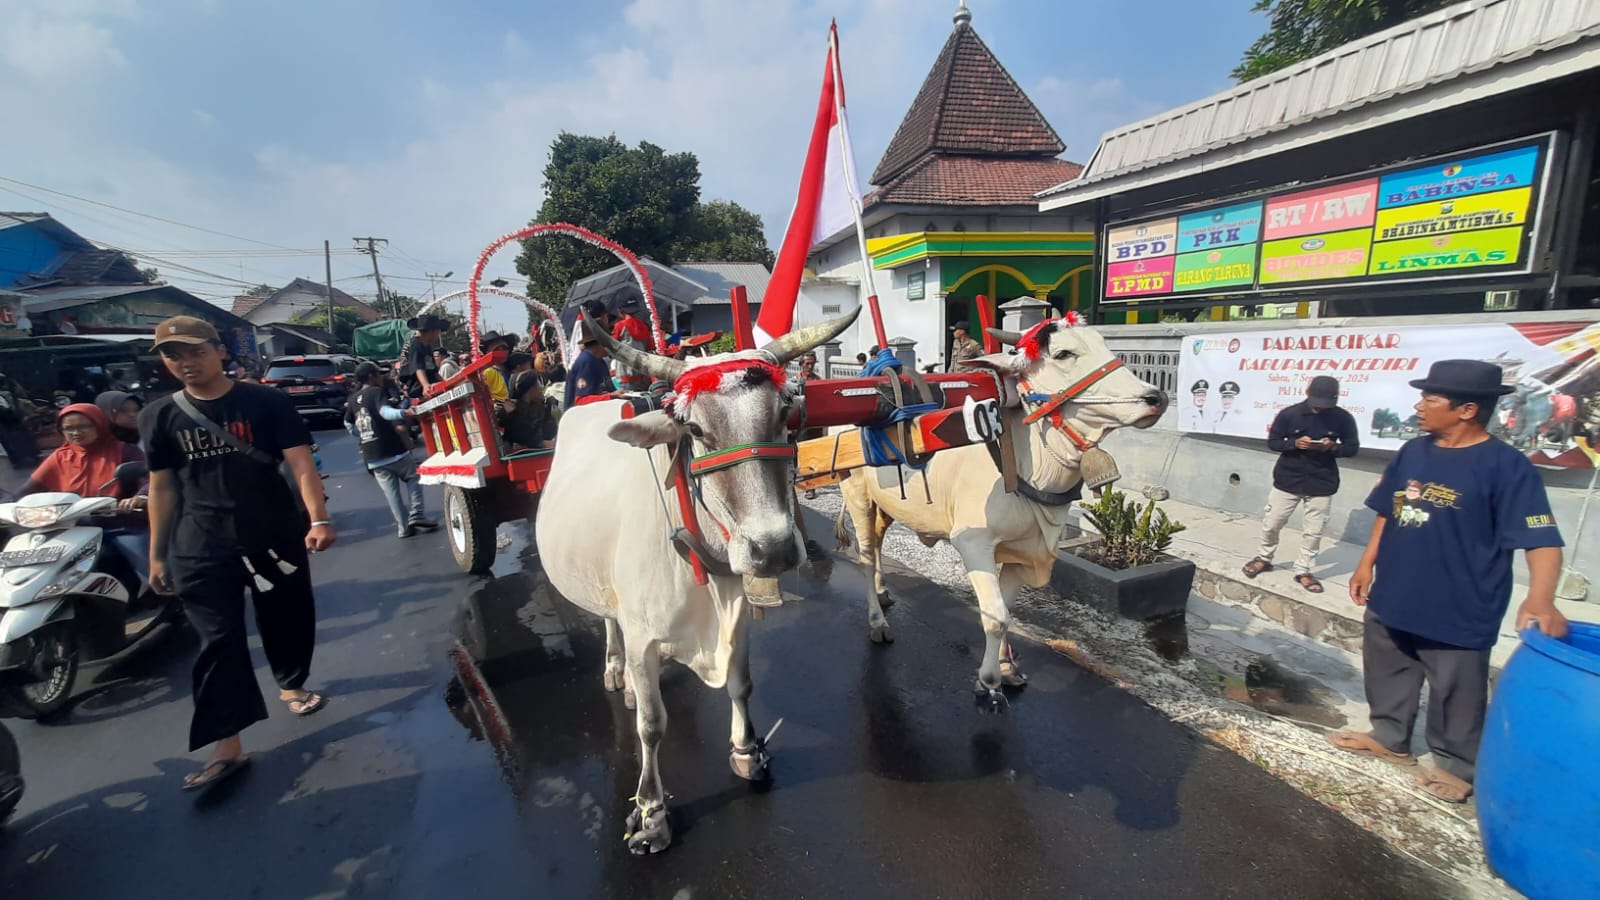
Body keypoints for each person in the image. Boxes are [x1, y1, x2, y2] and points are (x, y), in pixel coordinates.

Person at [1329, 360, 1567, 804]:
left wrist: (1542, 597)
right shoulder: (1413, 452)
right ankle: (1390, 738)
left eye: (1430, 399)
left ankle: (1457, 766)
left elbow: (1540, 537)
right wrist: (1366, 563)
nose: (1419, 406)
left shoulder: (1506, 467)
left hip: (1460, 601)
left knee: (1456, 690)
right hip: (1396, 590)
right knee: (1389, 668)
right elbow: (1389, 508)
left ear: (1466, 410)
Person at [139, 316, 333, 792]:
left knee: (286, 614)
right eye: (173, 355)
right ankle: (227, 743)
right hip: (198, 542)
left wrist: (319, 518)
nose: (185, 363)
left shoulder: (266, 401)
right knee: (217, 642)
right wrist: (158, 555)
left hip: (271, 535)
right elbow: (161, 487)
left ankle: (290, 681)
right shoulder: (158, 416)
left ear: (220, 351)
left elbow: (301, 463)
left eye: (195, 352)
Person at [1243, 376, 1359, 593]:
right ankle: (1264, 557)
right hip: (1288, 478)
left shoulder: (1343, 418)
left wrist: (1332, 447)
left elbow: (1352, 448)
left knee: (1313, 532)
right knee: (1272, 523)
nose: (1320, 408)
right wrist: (1294, 443)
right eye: (1317, 402)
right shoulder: (1289, 414)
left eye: (1325, 403)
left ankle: (1303, 570)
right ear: (1307, 392)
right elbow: (1274, 442)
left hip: (1322, 481)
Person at [20, 404, 149, 583]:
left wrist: (139, 497)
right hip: (74, 526)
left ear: (99, 425)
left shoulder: (125, 451)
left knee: (148, 566)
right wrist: (7, 502)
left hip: (121, 524)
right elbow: (28, 489)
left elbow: (148, 480)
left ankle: (168, 598)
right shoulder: (60, 456)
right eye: (69, 428)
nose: (76, 433)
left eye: (84, 426)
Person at [347, 363, 439, 539]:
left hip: (372, 456)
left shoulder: (353, 399)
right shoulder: (375, 392)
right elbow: (385, 412)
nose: (382, 377)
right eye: (378, 374)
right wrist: (404, 413)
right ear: (372, 376)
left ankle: (403, 528)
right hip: (392, 449)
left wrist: (362, 435)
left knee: (391, 494)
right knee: (413, 476)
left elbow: (348, 424)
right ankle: (416, 513)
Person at [564, 320, 616, 409]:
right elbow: (580, 401)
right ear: (600, 342)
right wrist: (611, 396)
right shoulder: (586, 361)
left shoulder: (599, 360)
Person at [399, 314, 449, 397]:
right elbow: (418, 367)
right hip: (417, 385)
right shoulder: (415, 345)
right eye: (438, 332)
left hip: (430, 380)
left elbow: (434, 371)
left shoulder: (427, 346)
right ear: (431, 331)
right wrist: (425, 385)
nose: (437, 335)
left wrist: (446, 384)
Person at [0, 372, 39, 469]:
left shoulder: (8, 394)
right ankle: (19, 459)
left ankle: (24, 458)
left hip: (12, 420)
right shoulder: (7, 394)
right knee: (10, 439)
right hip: (7, 421)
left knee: (16, 438)